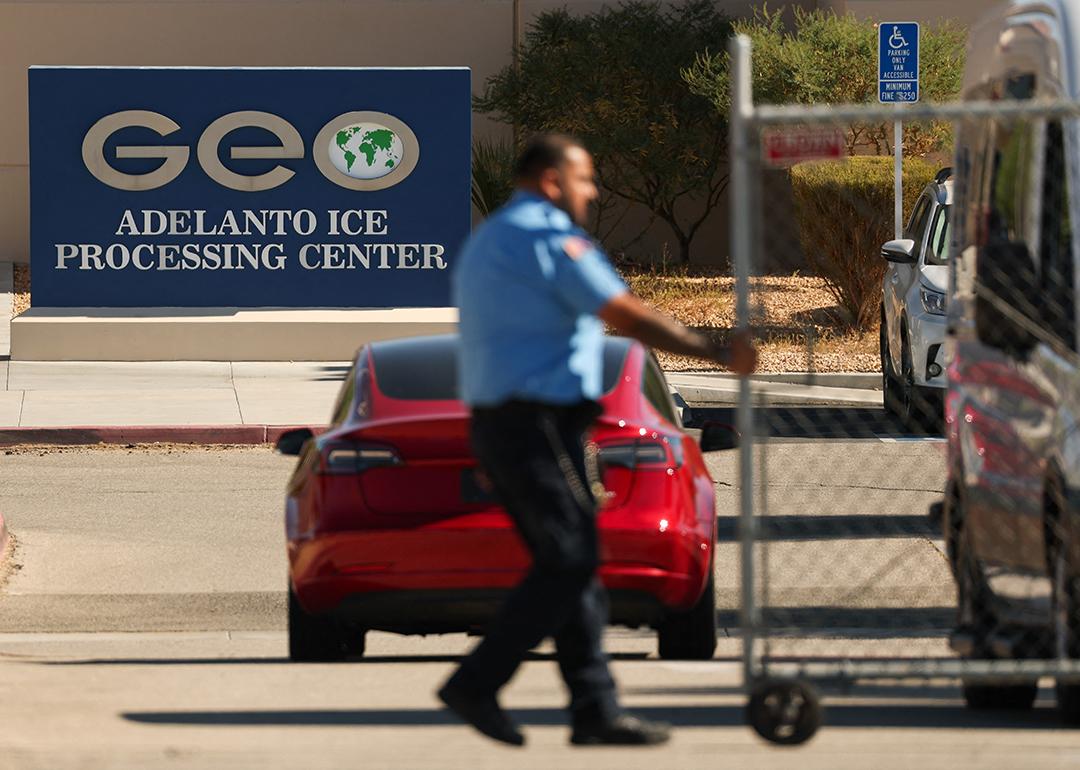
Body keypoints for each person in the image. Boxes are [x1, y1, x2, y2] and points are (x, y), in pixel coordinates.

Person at [439, 133, 757, 747]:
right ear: (553, 181)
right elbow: (626, 315)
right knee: (570, 559)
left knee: (575, 566)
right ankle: (477, 682)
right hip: (533, 422)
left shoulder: (494, 237)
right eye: (585, 179)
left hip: (522, 422)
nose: (594, 191)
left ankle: (594, 709)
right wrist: (714, 349)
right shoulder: (546, 236)